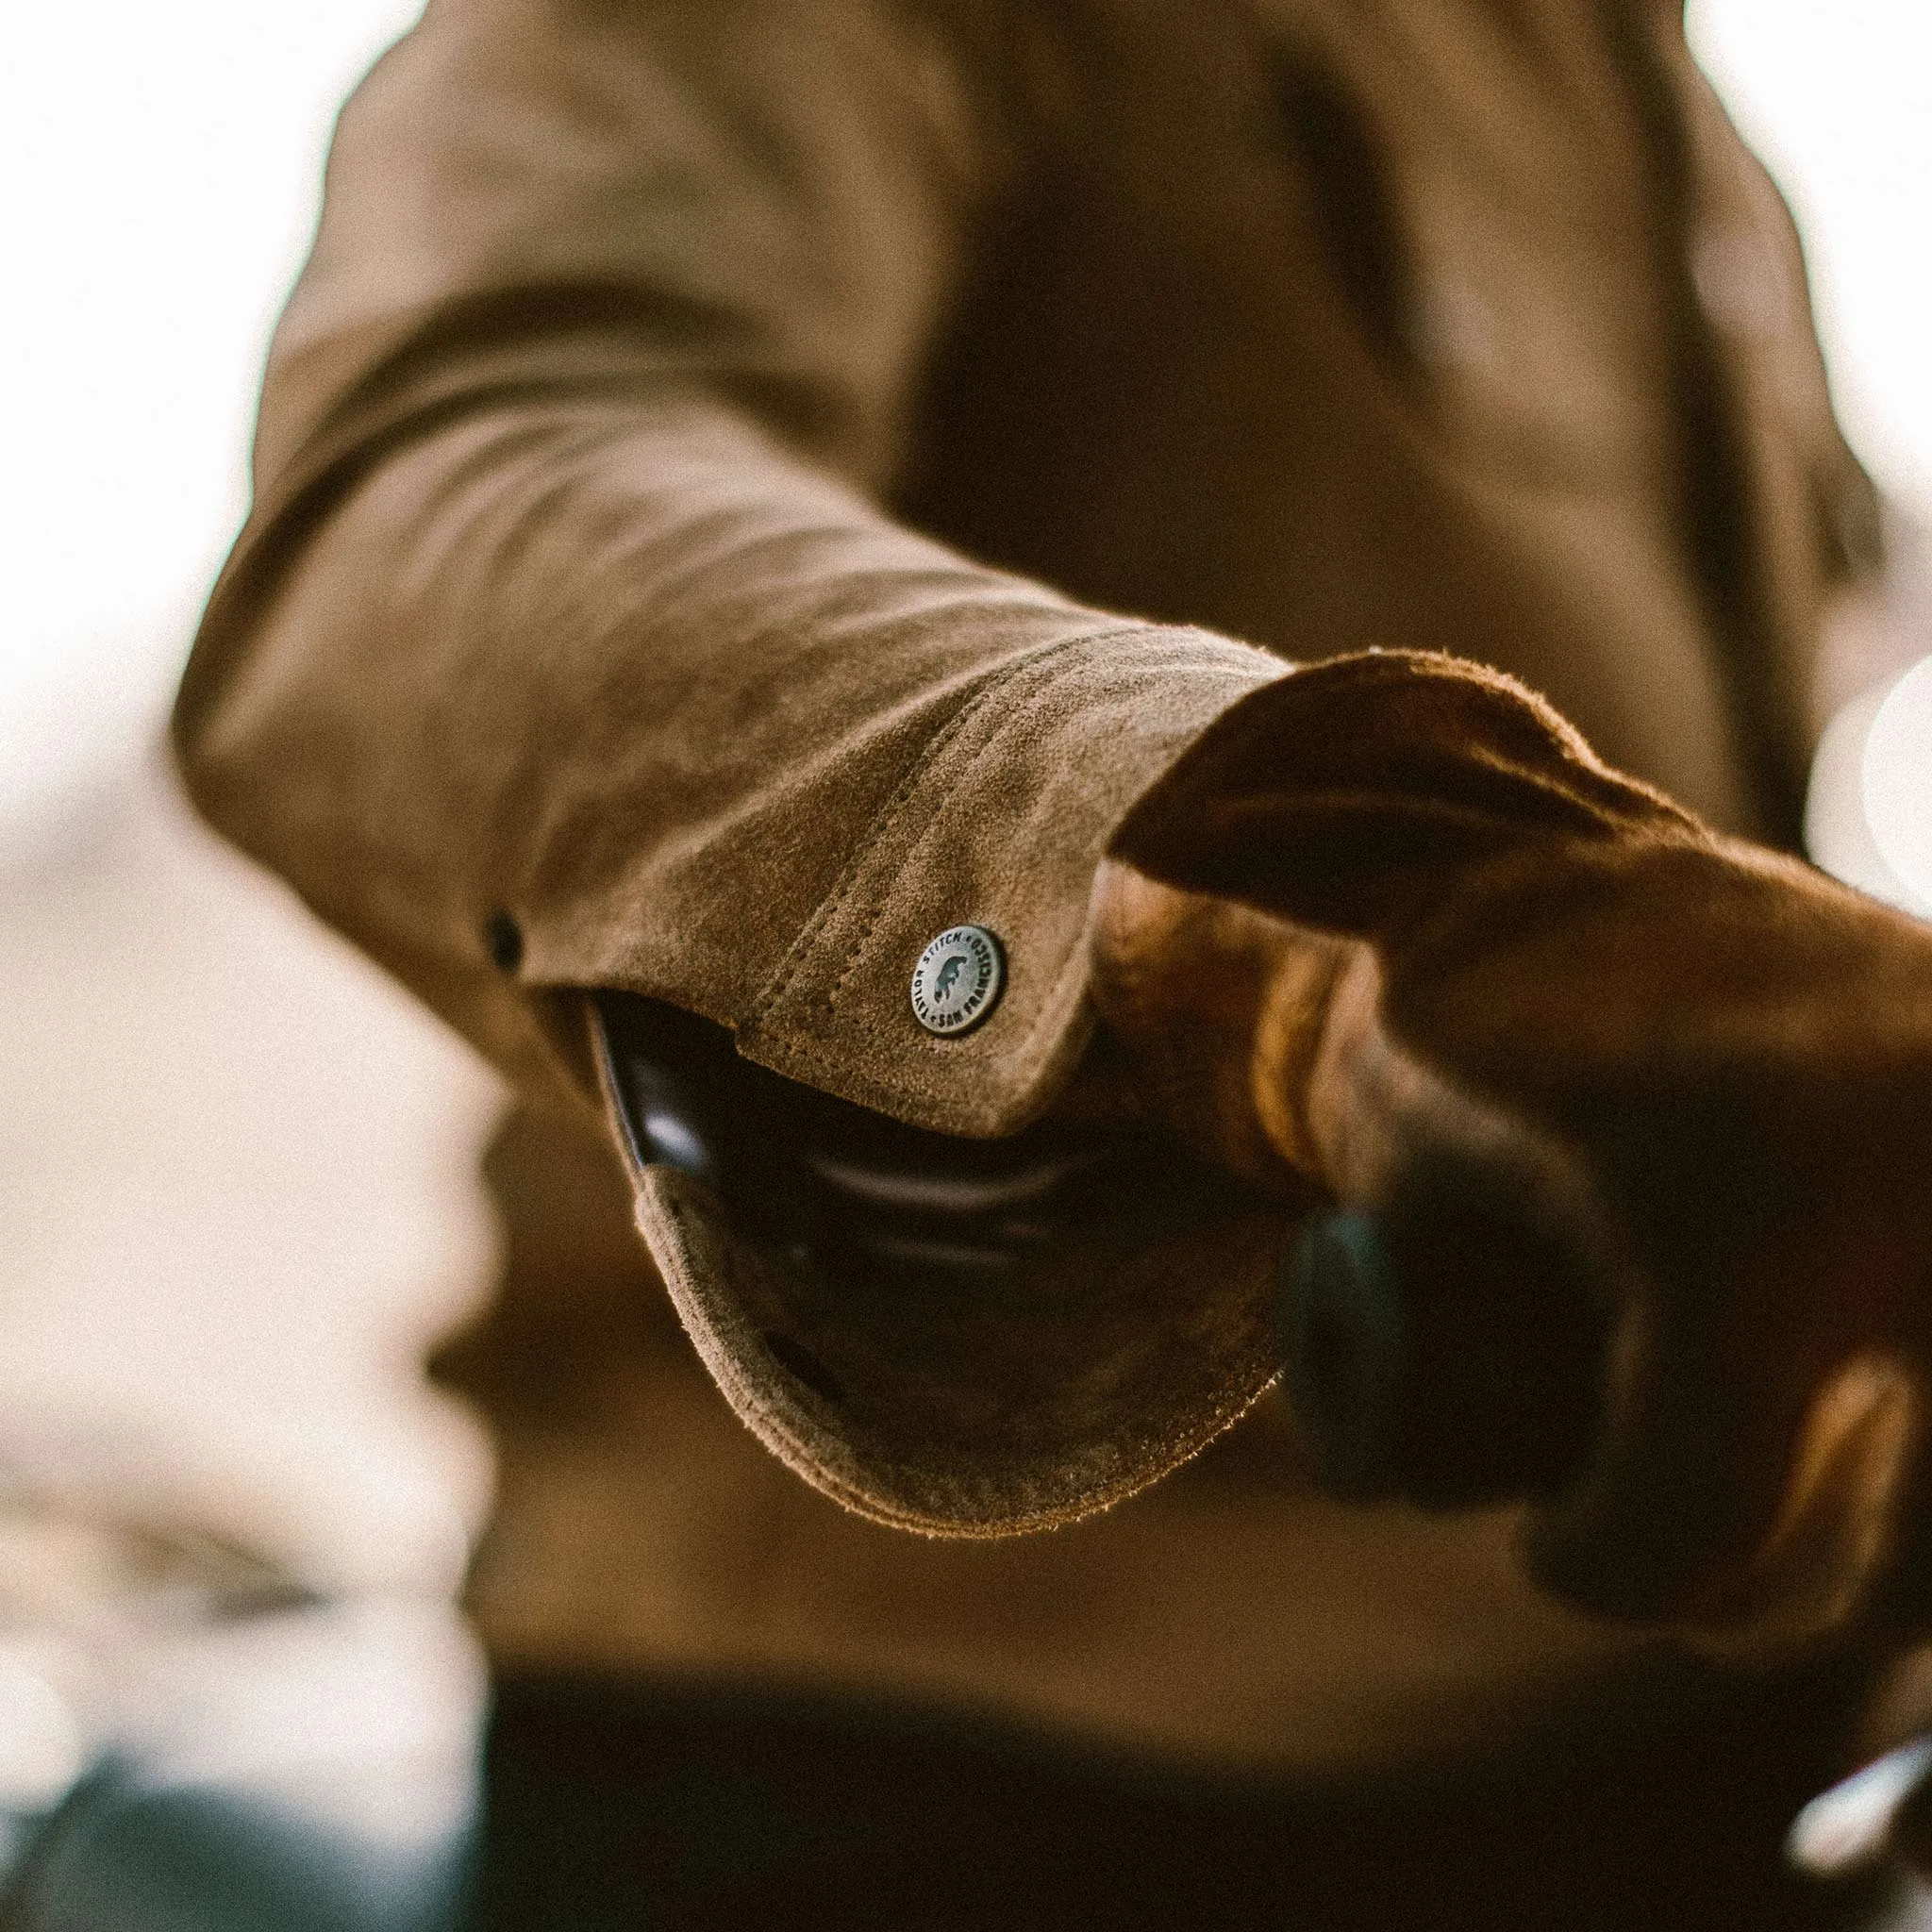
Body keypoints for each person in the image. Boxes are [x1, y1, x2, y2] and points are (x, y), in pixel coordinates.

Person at [174, 1, 1932, 1923]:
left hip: (1642, 1729)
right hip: (944, 1774)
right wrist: (1402, 904)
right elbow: (440, 511)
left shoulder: (1634, 86)